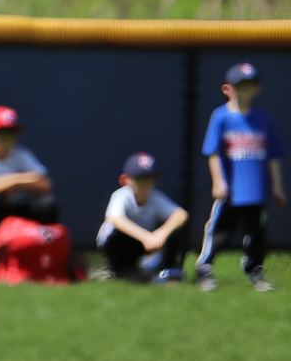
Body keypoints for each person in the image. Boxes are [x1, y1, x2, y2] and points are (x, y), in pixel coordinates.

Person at [194, 62, 285, 292]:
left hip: (256, 190)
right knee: (220, 231)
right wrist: (218, 181)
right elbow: (213, 152)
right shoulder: (221, 116)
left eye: (250, 85)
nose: (245, 90)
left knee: (256, 234)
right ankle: (204, 269)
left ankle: (255, 271)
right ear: (228, 88)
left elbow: (272, 157)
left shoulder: (264, 119)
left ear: (257, 88)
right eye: (240, 85)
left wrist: (277, 187)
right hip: (231, 190)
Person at [0, 105, 57, 243]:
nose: (9, 140)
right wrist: (18, 180)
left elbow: (45, 184)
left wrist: (12, 183)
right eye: (3, 135)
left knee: (47, 203)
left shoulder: (22, 154)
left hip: (16, 210)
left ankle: (44, 249)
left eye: (12, 133)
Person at [95, 152, 188, 283]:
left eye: (150, 178)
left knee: (175, 229)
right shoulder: (122, 195)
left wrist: (161, 233)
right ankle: (114, 270)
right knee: (117, 234)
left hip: (141, 245)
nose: (146, 183)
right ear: (126, 180)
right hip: (116, 244)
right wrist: (146, 237)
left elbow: (180, 214)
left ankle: (168, 272)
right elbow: (114, 218)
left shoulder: (155, 197)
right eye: (141, 179)